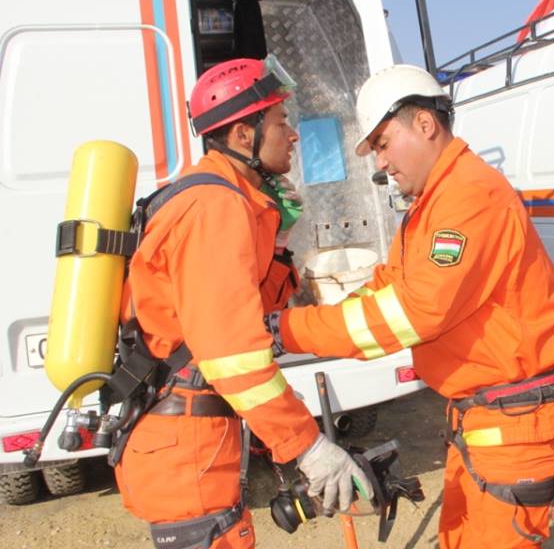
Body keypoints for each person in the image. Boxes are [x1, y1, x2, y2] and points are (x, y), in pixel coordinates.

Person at [266, 64, 554, 548]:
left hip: (515, 424)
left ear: (425, 124)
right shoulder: (435, 203)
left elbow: (413, 312)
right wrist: (311, 323)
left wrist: (288, 331)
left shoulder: (470, 195)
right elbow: (388, 288)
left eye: (383, 144)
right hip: (487, 418)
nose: (381, 163)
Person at [115, 57, 371, 548]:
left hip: (192, 436)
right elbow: (233, 352)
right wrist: (307, 446)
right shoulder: (214, 207)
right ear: (242, 134)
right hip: (186, 447)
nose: (293, 136)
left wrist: (278, 240)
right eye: (280, 122)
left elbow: (251, 310)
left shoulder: (225, 198)